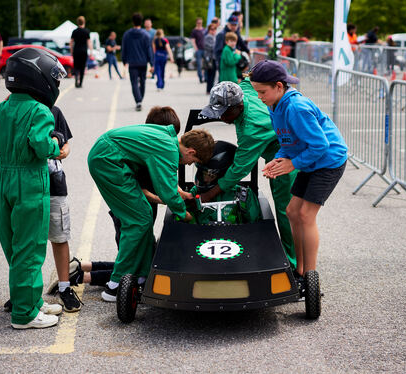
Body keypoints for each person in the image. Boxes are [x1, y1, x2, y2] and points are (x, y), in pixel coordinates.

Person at [0, 48, 68, 329]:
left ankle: (30, 301)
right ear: (39, 77)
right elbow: (42, 146)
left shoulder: (2, 109)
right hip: (30, 180)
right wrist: (56, 146)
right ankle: (24, 315)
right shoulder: (40, 110)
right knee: (29, 249)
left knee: (14, 246)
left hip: (4, 178)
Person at [0, 101, 83, 313]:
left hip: (53, 184)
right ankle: (22, 294)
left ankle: (64, 287)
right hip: (26, 187)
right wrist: (10, 98)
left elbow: (65, 144)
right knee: (23, 243)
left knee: (59, 237)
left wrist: (62, 151)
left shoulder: (52, 110)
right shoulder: (10, 110)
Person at [249, 60, 347, 295]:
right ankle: (299, 271)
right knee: (292, 211)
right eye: (256, 92)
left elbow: (321, 145)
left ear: (279, 86)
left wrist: (293, 164)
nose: (259, 97)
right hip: (311, 159)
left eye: (262, 92)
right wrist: (280, 158)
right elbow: (286, 142)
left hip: (329, 161)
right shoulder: (274, 106)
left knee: (305, 214)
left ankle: (310, 278)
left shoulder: (296, 108)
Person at [87, 125, 214, 302]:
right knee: (137, 222)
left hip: (108, 154)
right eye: (192, 161)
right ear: (191, 151)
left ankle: (142, 275)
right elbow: (167, 191)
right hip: (108, 161)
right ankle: (114, 286)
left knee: (144, 217)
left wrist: (180, 194)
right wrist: (187, 216)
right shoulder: (168, 150)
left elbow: (165, 180)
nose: (189, 164)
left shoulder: (169, 141)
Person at [199, 80, 297, 269]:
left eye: (224, 114)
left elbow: (239, 169)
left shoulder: (250, 131)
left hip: (287, 158)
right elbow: (247, 80)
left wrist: (210, 193)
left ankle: (291, 265)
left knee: (286, 212)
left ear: (238, 106)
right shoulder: (243, 90)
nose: (222, 119)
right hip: (280, 146)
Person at [122, 12, 154, 111]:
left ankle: (138, 101)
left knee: (134, 83)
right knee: (143, 81)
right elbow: (149, 50)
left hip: (132, 63)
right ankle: (140, 100)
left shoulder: (127, 34)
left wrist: (124, 60)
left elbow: (124, 48)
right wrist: (152, 63)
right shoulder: (146, 35)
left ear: (133, 22)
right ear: (141, 22)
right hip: (143, 63)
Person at [70, 16, 93, 88]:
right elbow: (89, 42)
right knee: (82, 67)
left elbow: (71, 42)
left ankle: (76, 78)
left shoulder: (74, 31)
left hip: (76, 51)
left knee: (76, 66)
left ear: (77, 22)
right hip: (83, 51)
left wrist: (71, 51)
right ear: (84, 22)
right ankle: (80, 83)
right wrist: (91, 52)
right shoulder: (86, 31)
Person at [190, 17, 206, 84]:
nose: (200, 24)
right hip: (199, 49)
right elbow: (193, 40)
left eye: (201, 23)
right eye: (198, 23)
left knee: (206, 64)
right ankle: (200, 77)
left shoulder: (204, 30)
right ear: (196, 23)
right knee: (199, 64)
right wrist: (196, 48)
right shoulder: (194, 31)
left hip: (205, 49)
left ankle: (205, 77)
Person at [204, 23, 218, 94]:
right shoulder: (208, 37)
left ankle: (210, 89)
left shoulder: (214, 36)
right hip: (210, 59)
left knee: (212, 75)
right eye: (212, 29)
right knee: (210, 75)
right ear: (209, 30)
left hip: (213, 58)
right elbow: (210, 47)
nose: (213, 31)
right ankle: (209, 89)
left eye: (215, 29)